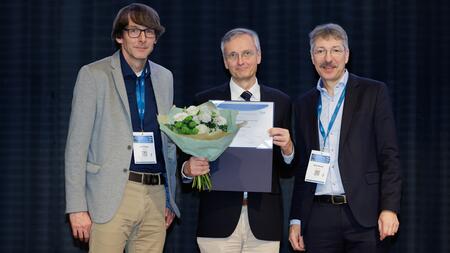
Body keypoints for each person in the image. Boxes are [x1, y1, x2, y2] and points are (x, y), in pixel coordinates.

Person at [64, 3, 179, 252]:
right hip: (112, 194)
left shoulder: (164, 77)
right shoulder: (94, 75)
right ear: (120, 36)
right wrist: (76, 207)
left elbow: (168, 144)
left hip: (156, 195)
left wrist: (171, 199)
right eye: (134, 31)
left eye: (149, 32)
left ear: (156, 39)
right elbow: (76, 147)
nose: (142, 38)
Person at [288, 23, 402, 252]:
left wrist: (389, 208)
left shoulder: (373, 92)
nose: (328, 58)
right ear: (312, 57)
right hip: (318, 217)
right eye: (320, 51)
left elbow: (389, 155)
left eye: (335, 50)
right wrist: (296, 219)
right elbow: (303, 168)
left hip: (364, 214)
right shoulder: (304, 103)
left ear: (347, 55)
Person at [182, 28, 294, 253]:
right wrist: (187, 168)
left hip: (264, 220)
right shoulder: (205, 102)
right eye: (233, 55)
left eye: (247, 53)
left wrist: (289, 149)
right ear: (225, 62)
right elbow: (185, 159)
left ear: (259, 56)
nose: (240, 61)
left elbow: (286, 169)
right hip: (217, 219)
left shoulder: (281, 101)